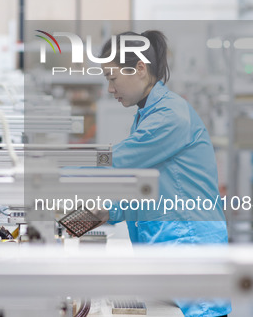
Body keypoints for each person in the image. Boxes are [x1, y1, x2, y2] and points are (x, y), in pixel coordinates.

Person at [97, 30, 231, 317]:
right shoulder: (149, 114)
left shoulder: (170, 116)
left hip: (191, 248)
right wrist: (107, 211)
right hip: (171, 249)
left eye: (112, 78)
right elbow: (147, 187)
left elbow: (118, 160)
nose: (110, 88)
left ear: (140, 69)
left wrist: (57, 163)